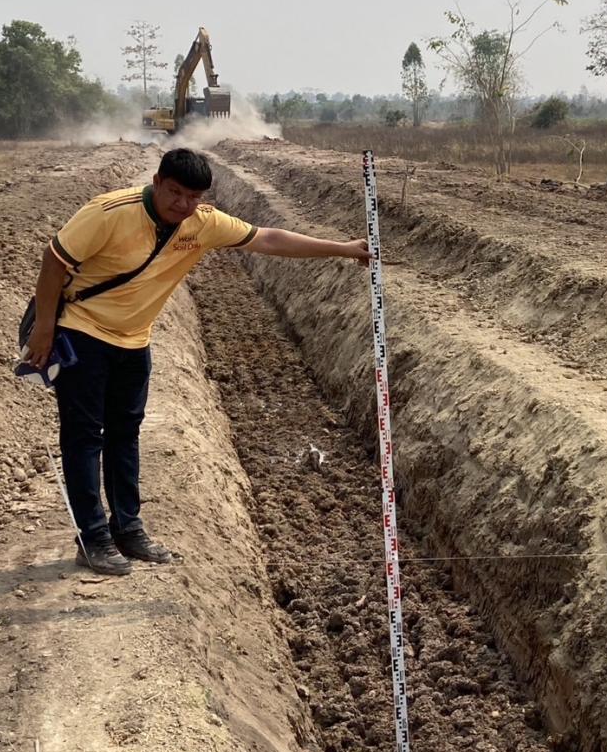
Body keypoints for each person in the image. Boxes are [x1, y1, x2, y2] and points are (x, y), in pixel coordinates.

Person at [26, 147, 370, 575]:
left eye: (193, 197)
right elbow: (54, 259)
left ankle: (127, 529)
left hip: (134, 340)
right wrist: (44, 328)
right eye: (175, 193)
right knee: (84, 436)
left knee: (125, 434)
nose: (183, 205)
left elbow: (268, 238)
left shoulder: (203, 223)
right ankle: (92, 538)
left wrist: (341, 248)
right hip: (83, 332)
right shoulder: (110, 212)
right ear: (156, 182)